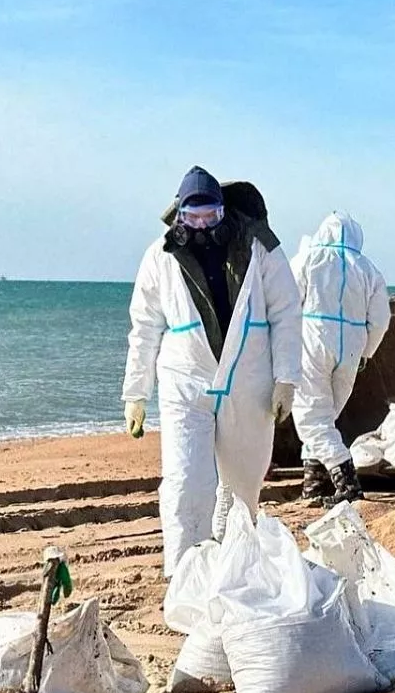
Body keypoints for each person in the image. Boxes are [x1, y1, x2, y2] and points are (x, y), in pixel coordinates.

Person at [121, 166, 303, 577]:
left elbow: (287, 312)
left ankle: (237, 566)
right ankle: (185, 576)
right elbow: (145, 324)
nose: (202, 226)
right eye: (193, 218)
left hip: (249, 379)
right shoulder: (161, 255)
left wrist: (286, 378)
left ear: (223, 211)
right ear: (179, 215)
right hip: (185, 380)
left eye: (210, 217)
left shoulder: (261, 248)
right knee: (186, 483)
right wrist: (136, 392)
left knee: (244, 484)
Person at [290, 211, 392, 507]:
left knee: (312, 417)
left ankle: (348, 483)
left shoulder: (310, 257)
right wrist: (367, 351)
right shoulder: (368, 268)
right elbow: (381, 319)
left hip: (314, 337)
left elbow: (287, 300)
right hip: (351, 346)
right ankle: (314, 483)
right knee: (326, 416)